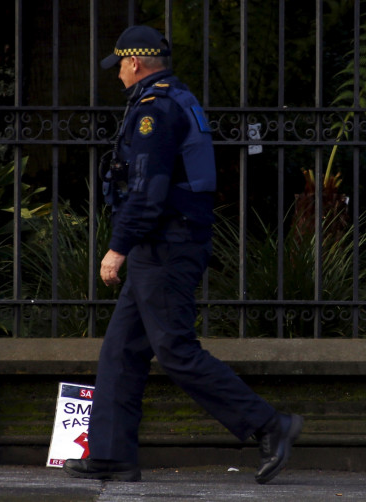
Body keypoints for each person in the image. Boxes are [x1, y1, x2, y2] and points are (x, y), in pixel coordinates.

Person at [62, 25, 302, 485]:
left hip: (167, 245)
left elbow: (148, 192)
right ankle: (112, 456)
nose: (117, 77)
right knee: (121, 351)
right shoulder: (173, 100)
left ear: (134, 64)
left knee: (174, 351)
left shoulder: (156, 112)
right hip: (166, 243)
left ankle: (271, 425)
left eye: (119, 67)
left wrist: (117, 249)